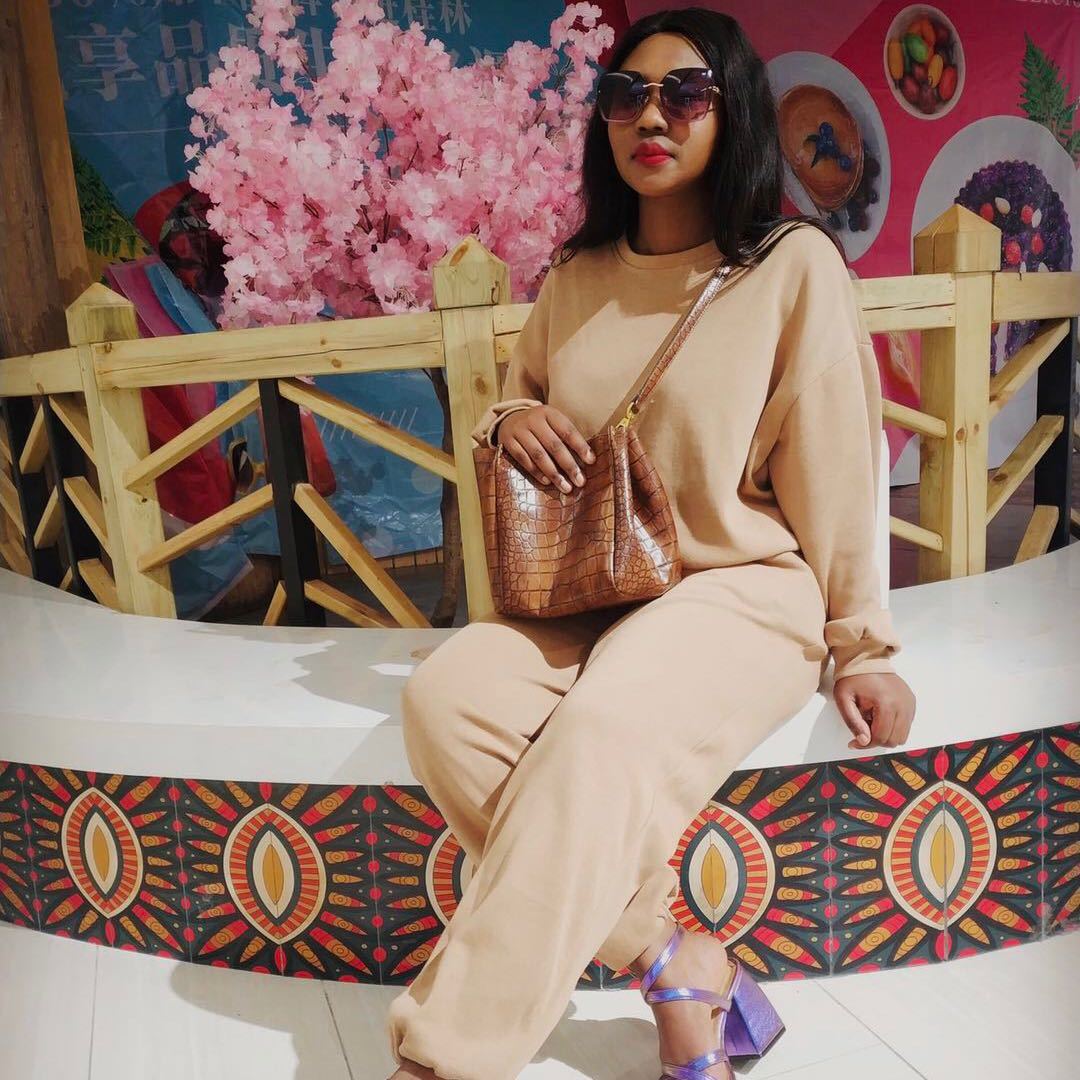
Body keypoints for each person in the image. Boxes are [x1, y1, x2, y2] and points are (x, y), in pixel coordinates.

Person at [384, 8, 917, 1079]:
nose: (652, 117)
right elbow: (521, 400)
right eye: (627, 95)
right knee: (444, 703)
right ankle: (677, 962)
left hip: (741, 588)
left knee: (601, 728)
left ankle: (442, 1058)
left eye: (686, 94)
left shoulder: (790, 266)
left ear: (735, 114)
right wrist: (509, 419)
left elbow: (838, 462)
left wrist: (863, 644)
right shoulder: (577, 276)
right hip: (591, 589)